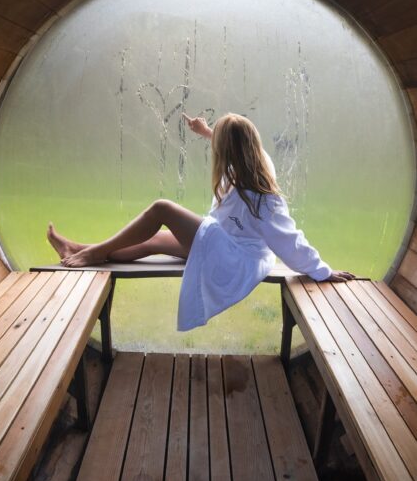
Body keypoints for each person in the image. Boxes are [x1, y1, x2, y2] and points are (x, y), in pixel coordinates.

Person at [47, 112, 355, 331]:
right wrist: (207, 131)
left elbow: (291, 242)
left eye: (217, 144)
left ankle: (88, 253)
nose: (217, 152)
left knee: (162, 209)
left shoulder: (263, 197)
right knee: (153, 242)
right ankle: (77, 249)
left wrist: (322, 271)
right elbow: (242, 145)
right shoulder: (248, 163)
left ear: (229, 151)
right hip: (222, 243)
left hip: (235, 260)